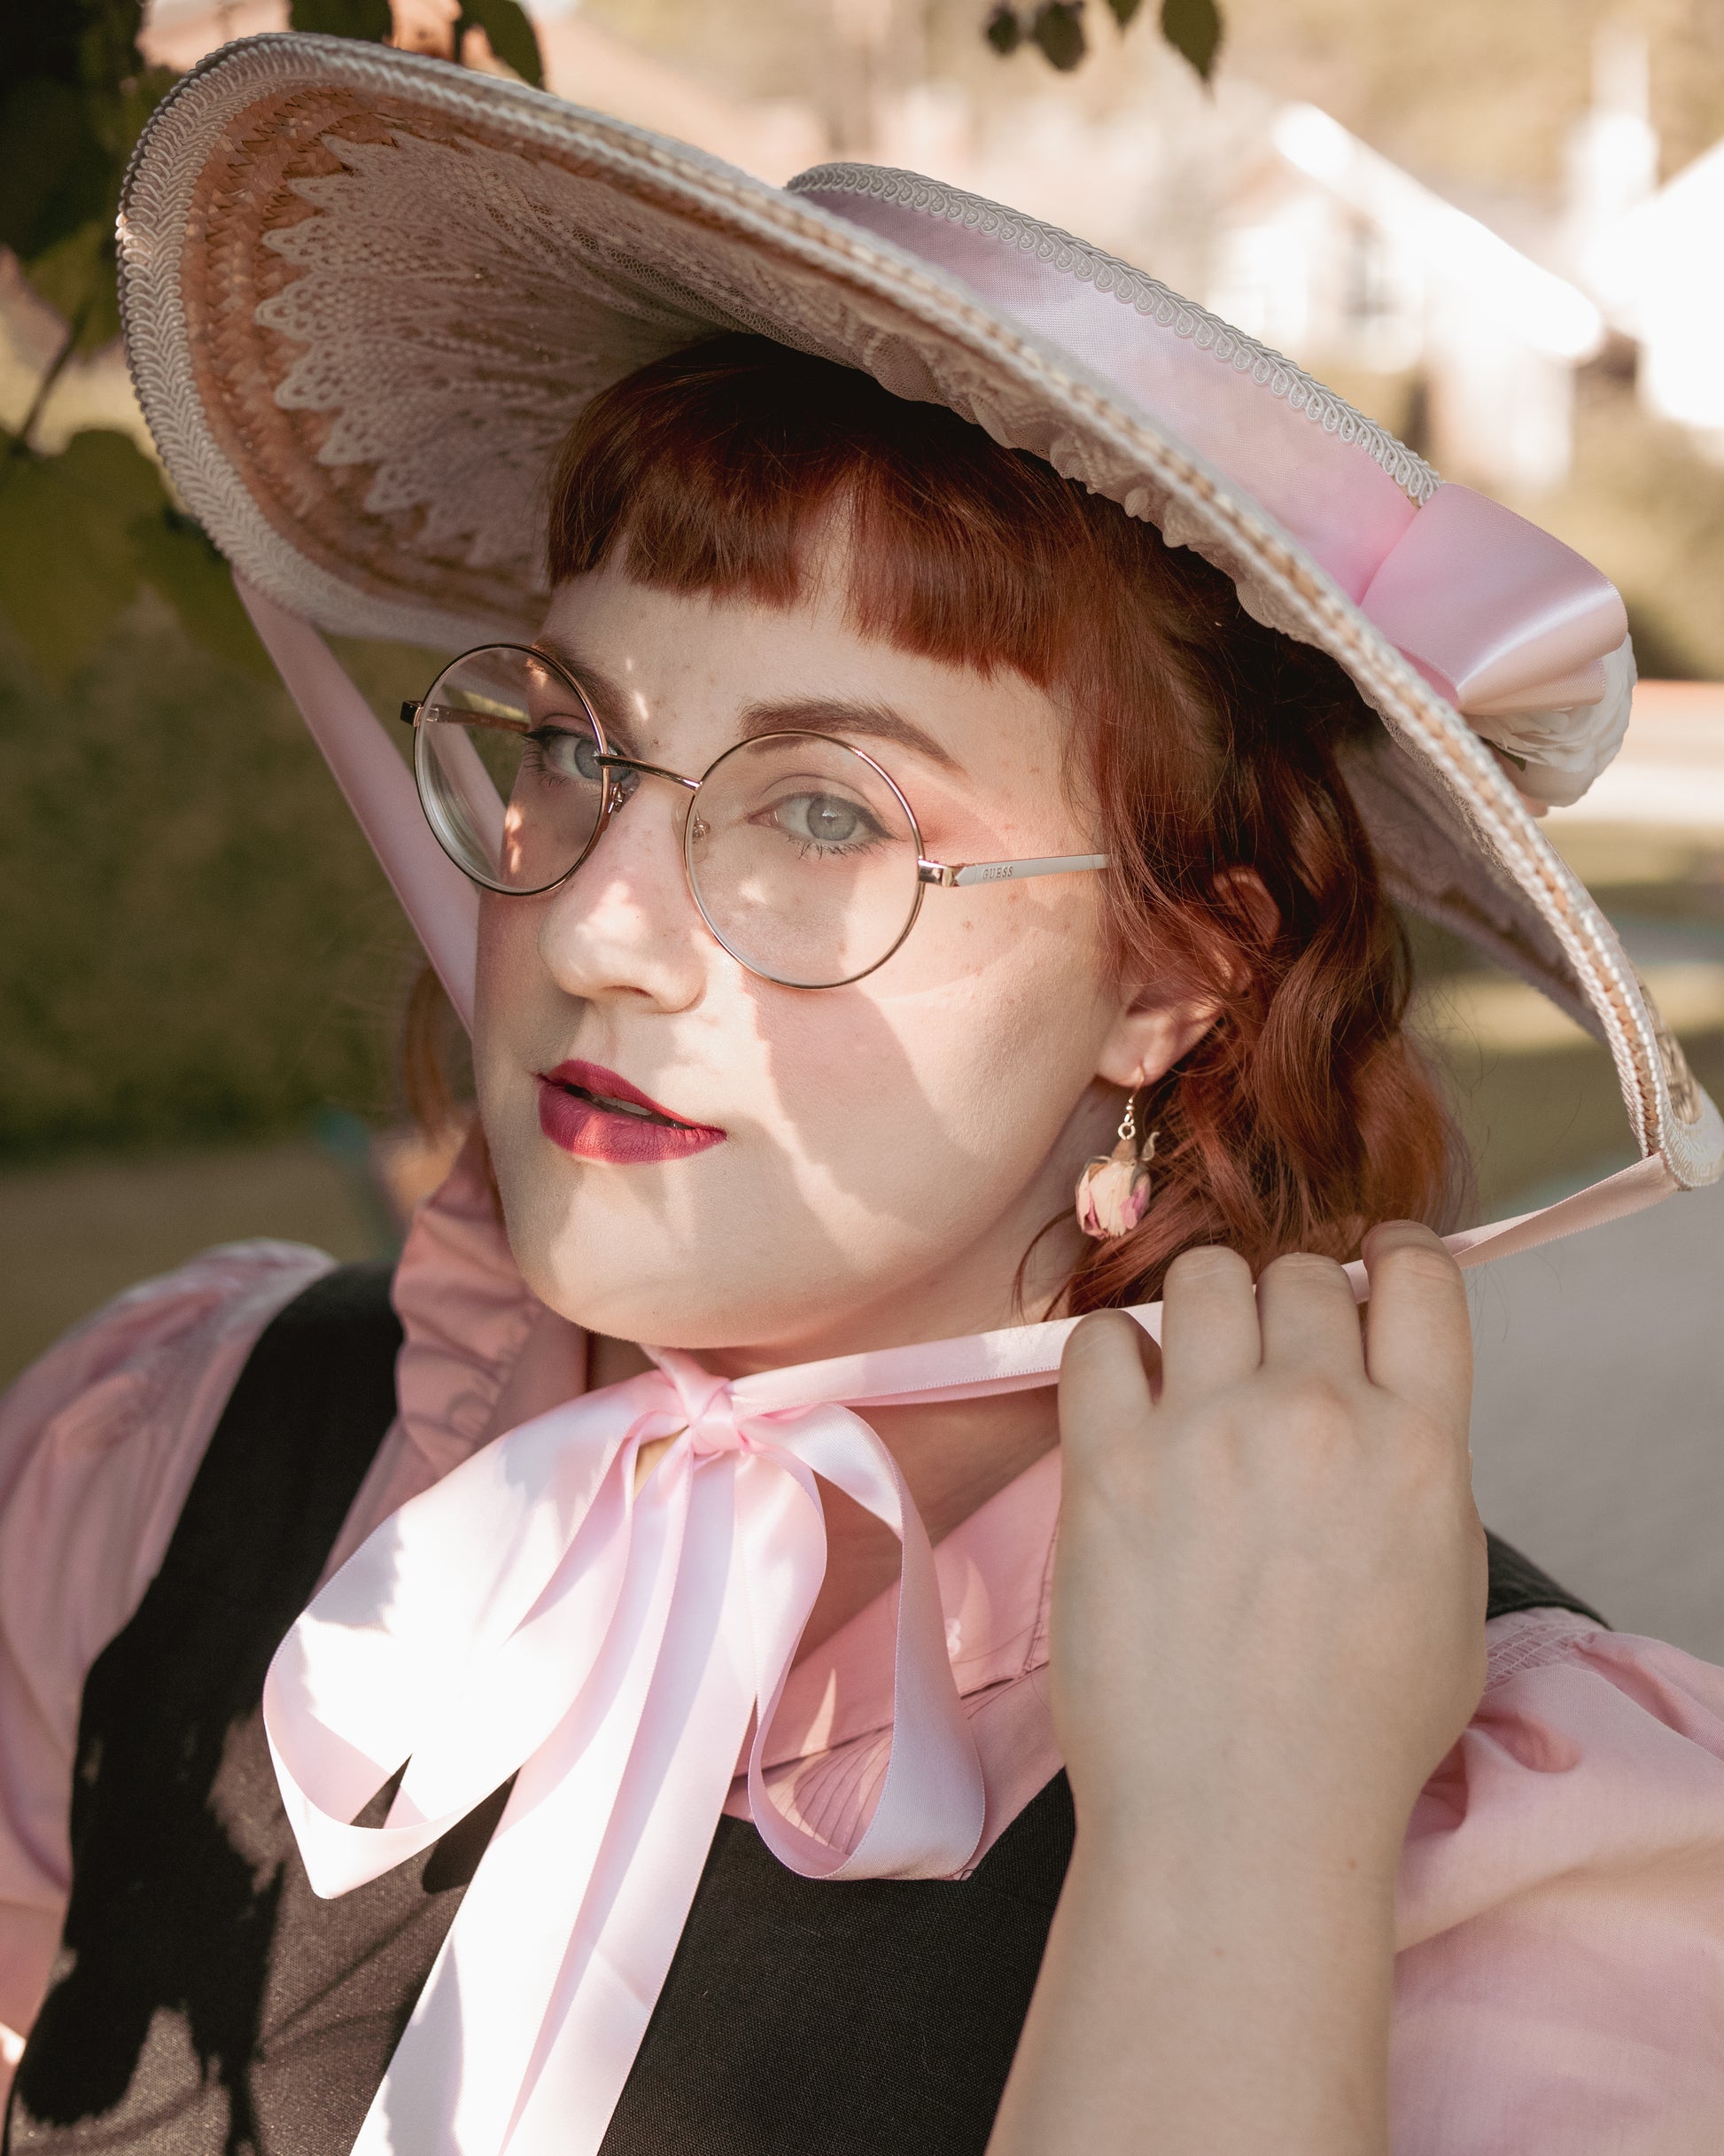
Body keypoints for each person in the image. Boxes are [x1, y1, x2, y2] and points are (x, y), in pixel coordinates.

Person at [4, 30, 1722, 2156]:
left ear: (1174, 977)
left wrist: (1240, 1844)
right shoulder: (174, 1453)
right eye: (572, 745)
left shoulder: (1527, 1861)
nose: (597, 922)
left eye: (824, 810)